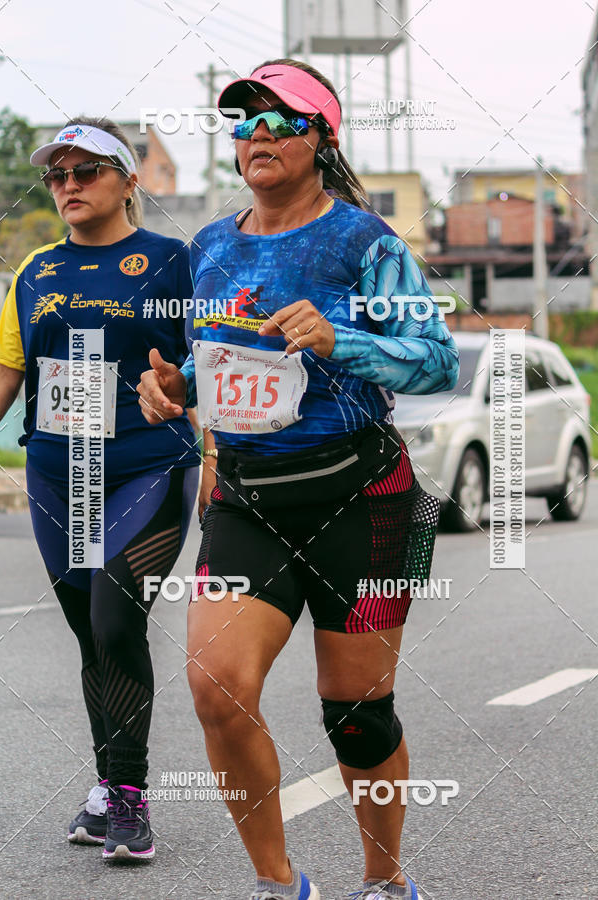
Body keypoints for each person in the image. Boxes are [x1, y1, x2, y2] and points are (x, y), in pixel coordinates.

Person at [137, 60, 459, 899]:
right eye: (244, 122)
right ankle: (283, 887)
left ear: (322, 137)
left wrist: (338, 340)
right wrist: (176, 389)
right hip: (248, 497)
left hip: (364, 497)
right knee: (216, 690)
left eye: (282, 120)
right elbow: (216, 369)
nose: (259, 135)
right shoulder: (209, 246)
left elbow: (434, 363)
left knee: (355, 711)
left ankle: (386, 881)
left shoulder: (364, 241)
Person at [0, 117, 203, 861]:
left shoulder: (173, 262)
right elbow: (7, 375)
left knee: (117, 616)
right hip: (59, 471)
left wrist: (188, 396)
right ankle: (106, 787)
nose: (69, 186)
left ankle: (128, 800)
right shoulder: (35, 273)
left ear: (128, 179)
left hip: (148, 464)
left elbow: (214, 360)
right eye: (58, 175)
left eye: (87, 171)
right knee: (93, 633)